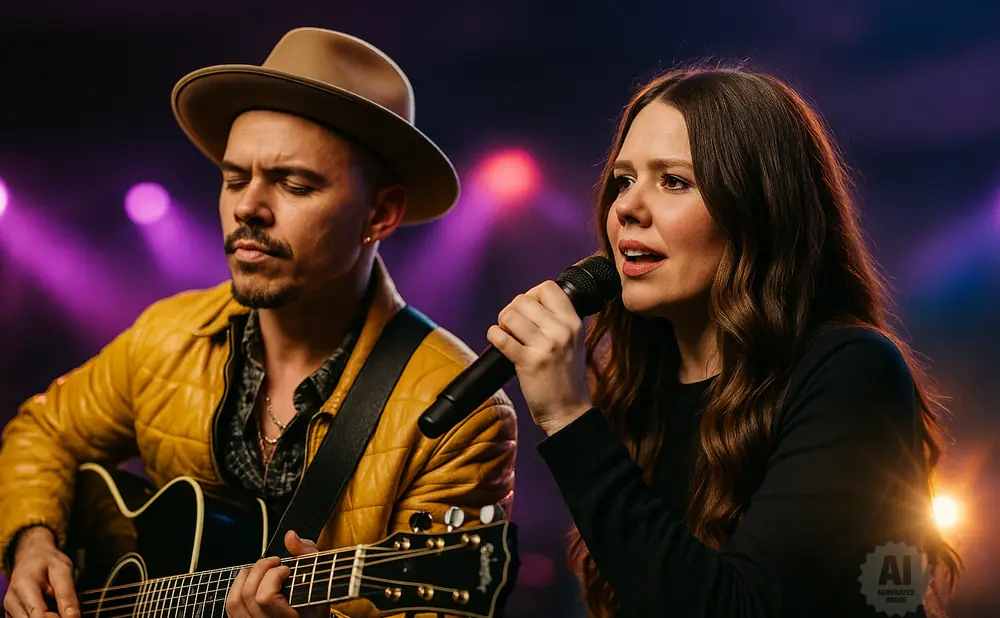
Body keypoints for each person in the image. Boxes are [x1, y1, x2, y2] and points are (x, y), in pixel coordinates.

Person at [0, 27, 517, 618]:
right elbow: (43, 431)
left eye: (294, 183)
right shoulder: (166, 335)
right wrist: (33, 540)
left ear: (381, 211)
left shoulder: (461, 410)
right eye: (234, 178)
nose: (248, 207)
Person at [486, 66, 961, 617]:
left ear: (758, 209)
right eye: (623, 179)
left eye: (673, 181)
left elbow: (738, 608)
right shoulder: (646, 386)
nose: (626, 208)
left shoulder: (851, 370)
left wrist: (569, 418)